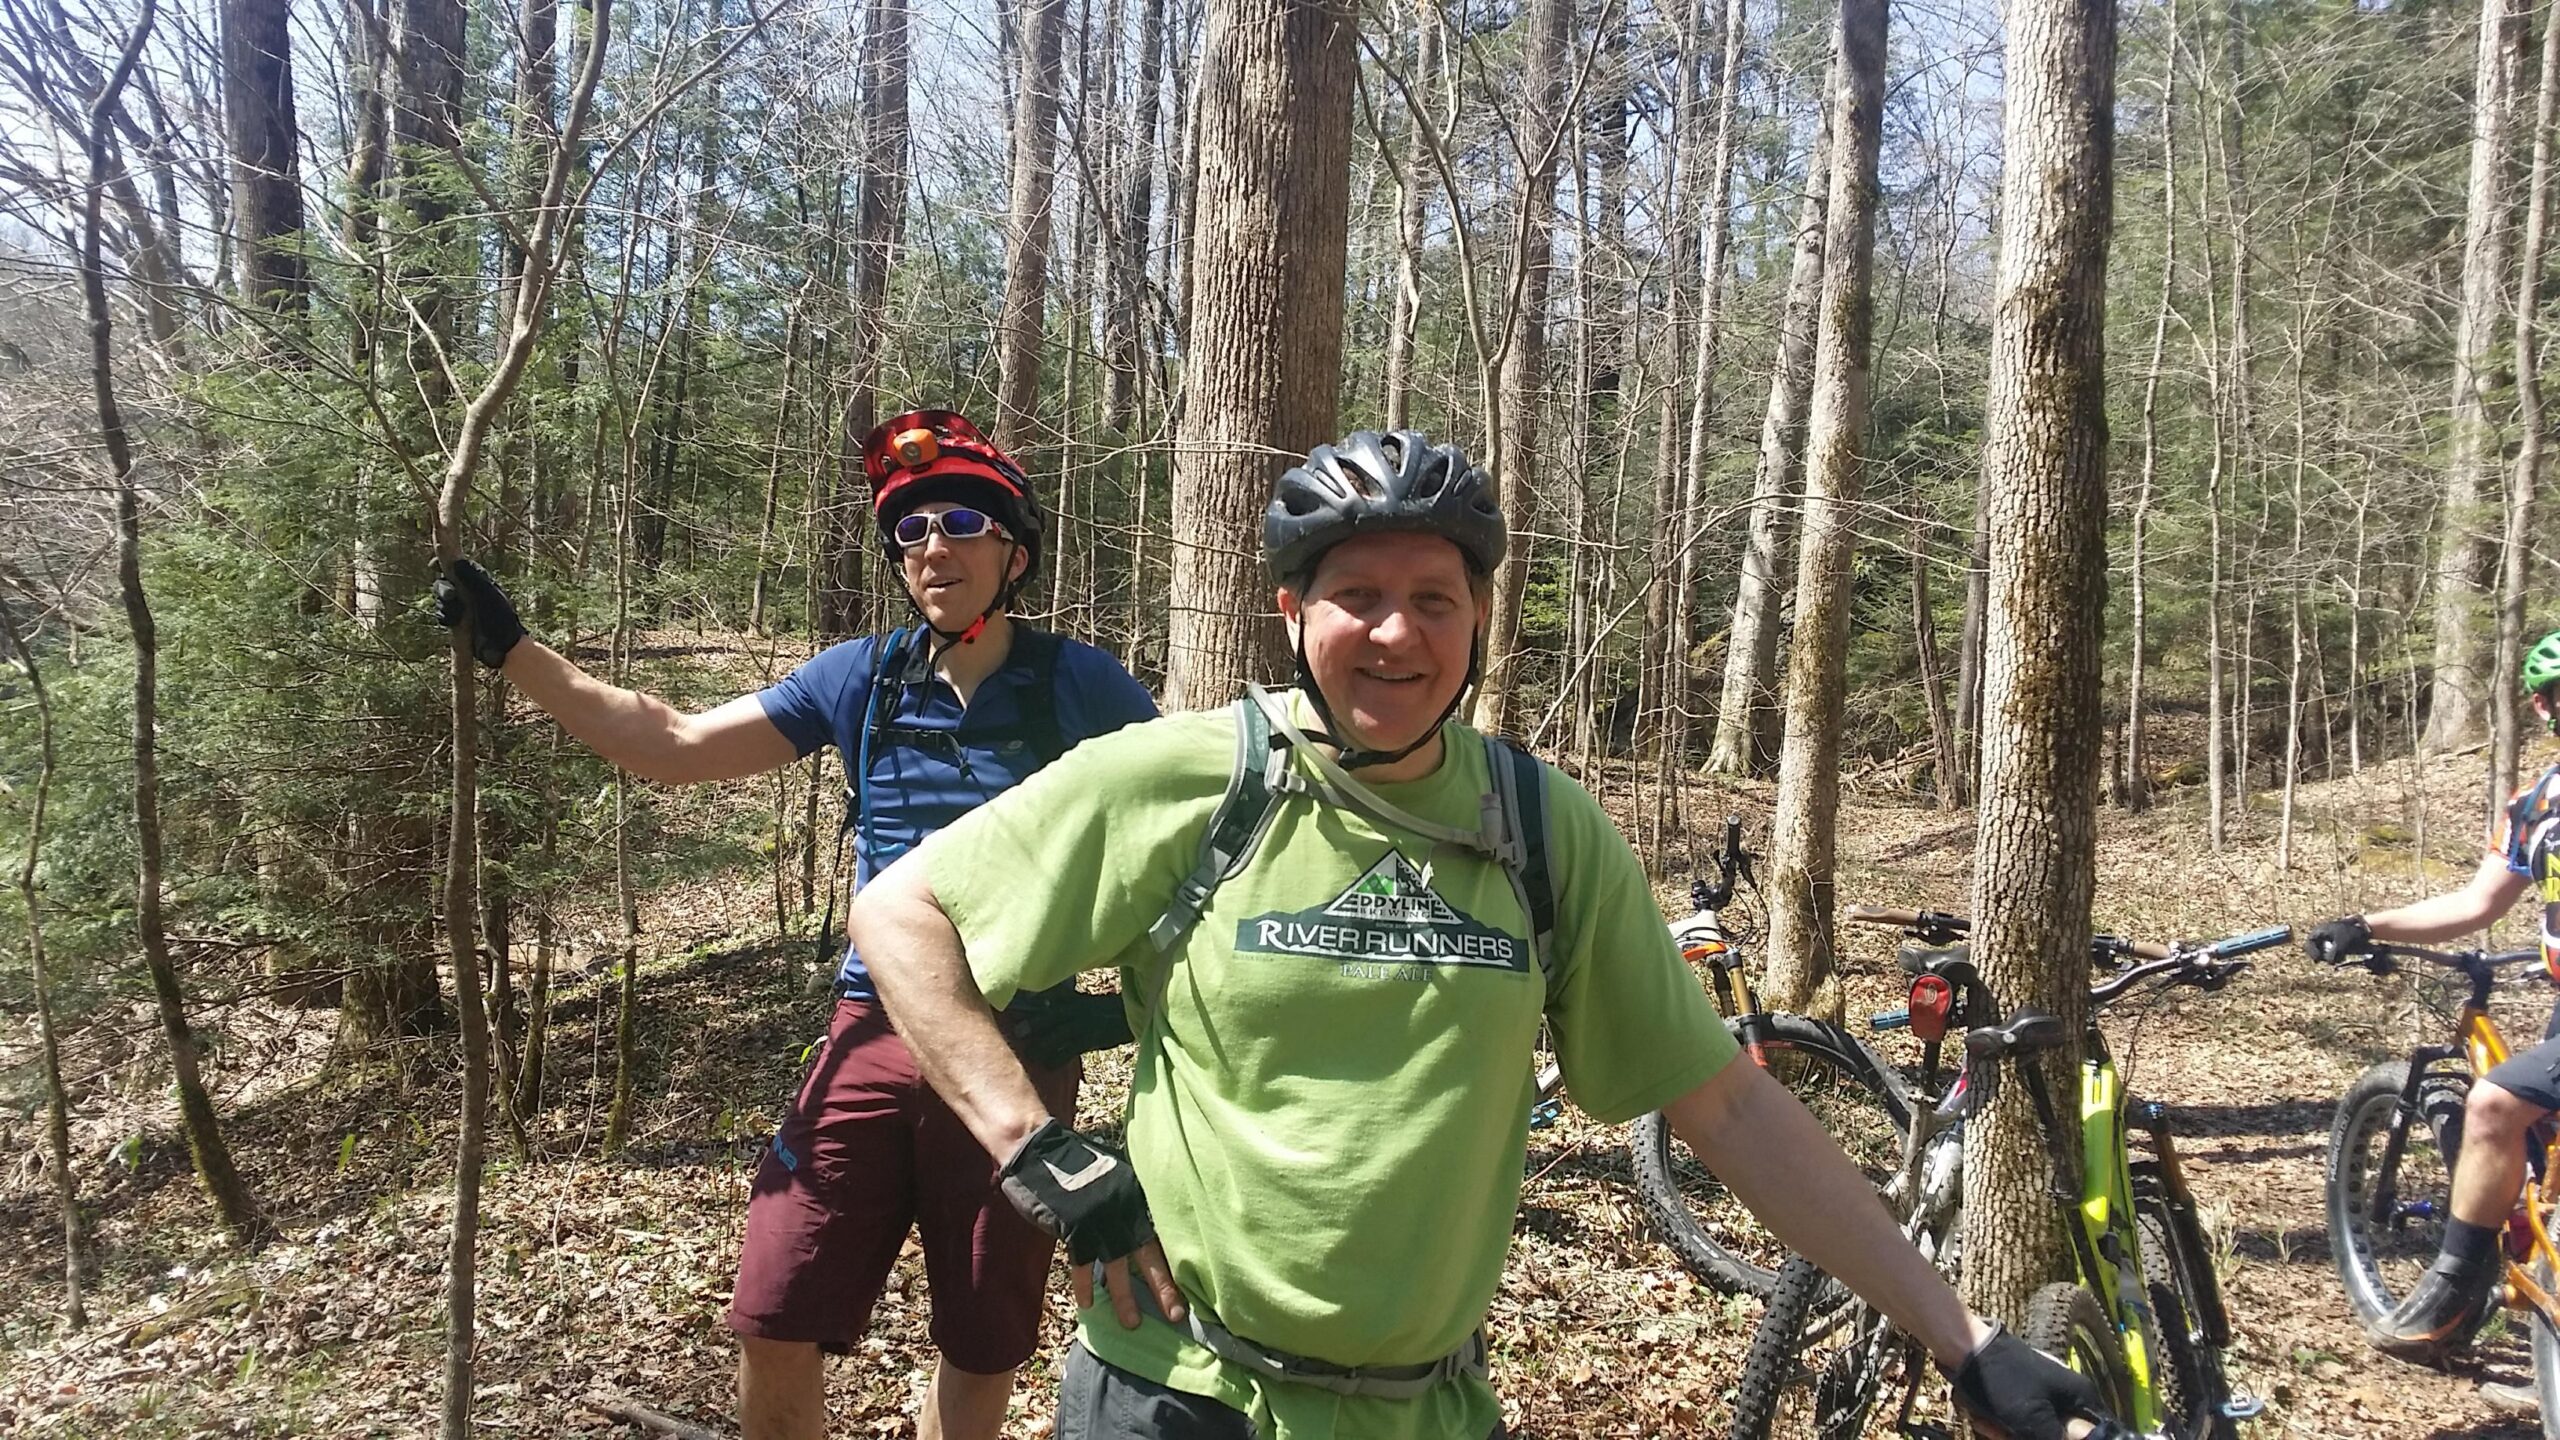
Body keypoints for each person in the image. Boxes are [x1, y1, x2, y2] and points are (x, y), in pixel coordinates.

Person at [847, 428, 2108, 1439]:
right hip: (1178, 1393)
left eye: (1432, 599)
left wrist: (1964, 1339)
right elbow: (902, 912)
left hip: (1427, 1406)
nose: (1395, 633)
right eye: (1356, 595)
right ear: (1292, 610)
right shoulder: (1188, 779)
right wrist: (1041, 1153)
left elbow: (1726, 1111)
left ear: (1478, 618)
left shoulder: (1539, 828)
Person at [433, 408, 1159, 1440]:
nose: (933, 547)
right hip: (865, 1038)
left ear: (1015, 551)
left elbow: (1183, 837)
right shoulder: (859, 677)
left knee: (982, 1337)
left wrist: (1106, 1017)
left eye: (959, 521)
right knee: (774, 1312)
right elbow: (675, 743)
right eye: (909, 532)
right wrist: (513, 653)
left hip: (1015, 1047)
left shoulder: (1080, 686)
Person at [2307, 628, 2560, 1366]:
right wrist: (2367, 922)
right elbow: (2479, 903)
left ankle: (2449, 1295)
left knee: (2491, 1105)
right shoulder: (2536, 806)